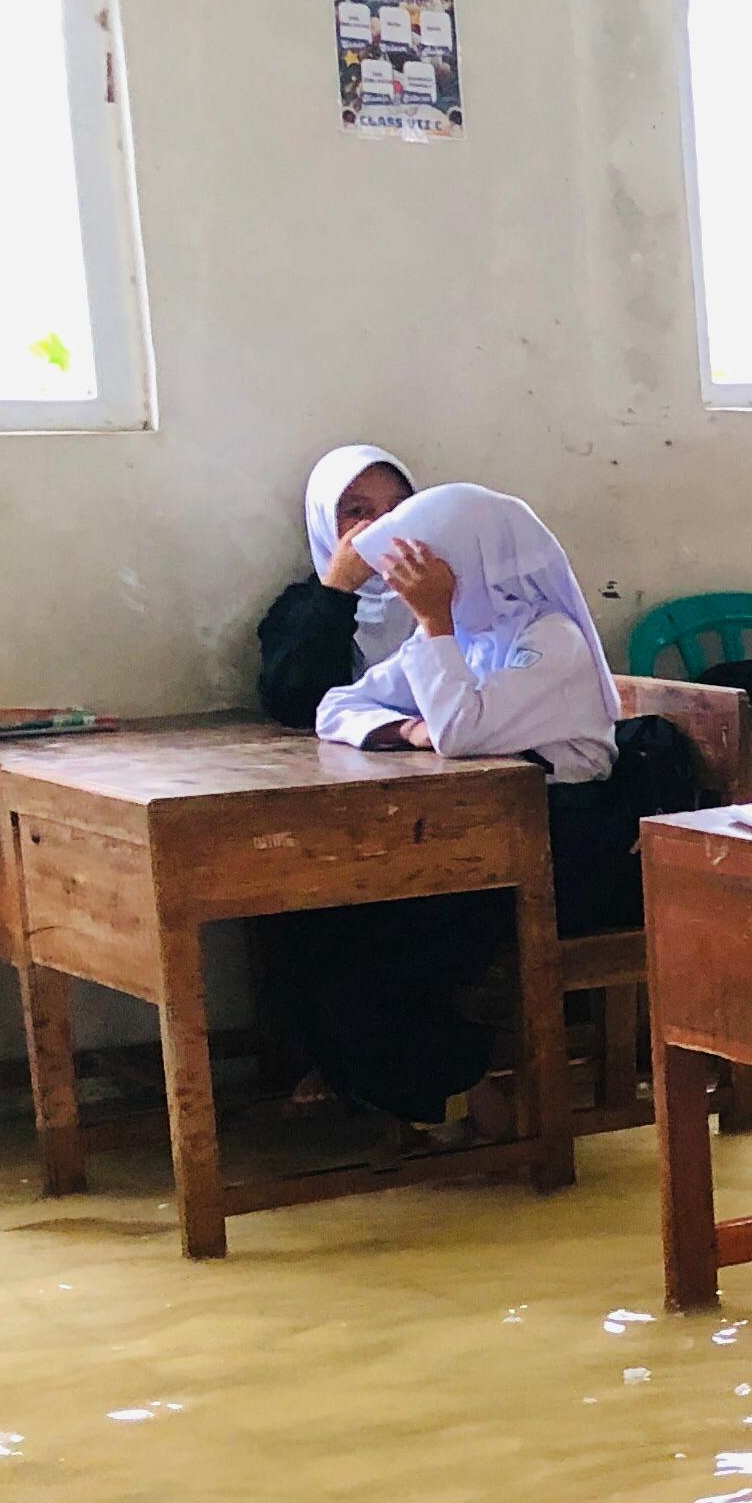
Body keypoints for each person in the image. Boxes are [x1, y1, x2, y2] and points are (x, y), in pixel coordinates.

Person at [277, 485, 651, 1140]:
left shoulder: (550, 639)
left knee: (373, 960)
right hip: (478, 852)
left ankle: (462, 1100)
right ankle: (438, 1092)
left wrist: (435, 625)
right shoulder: (473, 635)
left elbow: (458, 730)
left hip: (560, 861)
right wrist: (405, 730)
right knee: (317, 925)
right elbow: (335, 707)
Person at [256, 445, 417, 728]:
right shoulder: (300, 609)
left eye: (399, 509)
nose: (383, 526)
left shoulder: (446, 589)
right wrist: (337, 590)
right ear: (325, 523)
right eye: (357, 512)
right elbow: (293, 706)